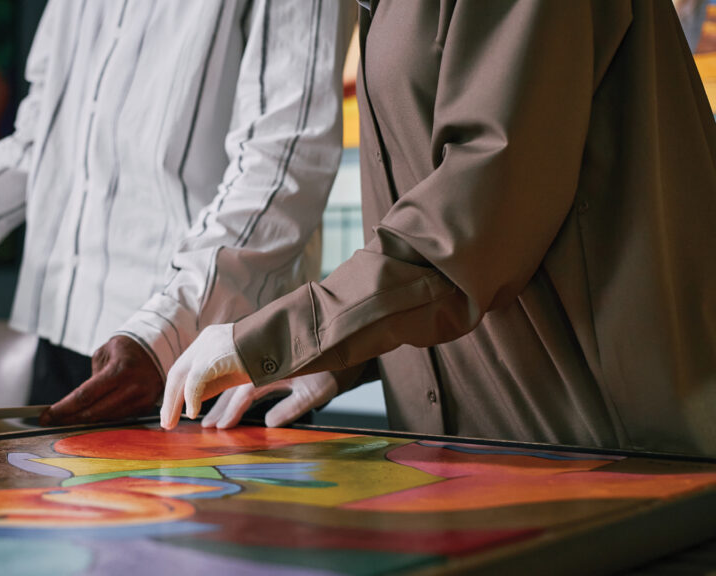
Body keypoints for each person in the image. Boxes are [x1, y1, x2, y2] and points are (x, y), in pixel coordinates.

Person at [163, 0, 716, 458]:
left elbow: (479, 223)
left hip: (608, 460)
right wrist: (342, 359)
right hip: (480, 465)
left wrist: (282, 338)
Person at [0, 1, 355, 425]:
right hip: (66, 338)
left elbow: (287, 156)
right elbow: (43, 127)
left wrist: (165, 333)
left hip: (210, 361)